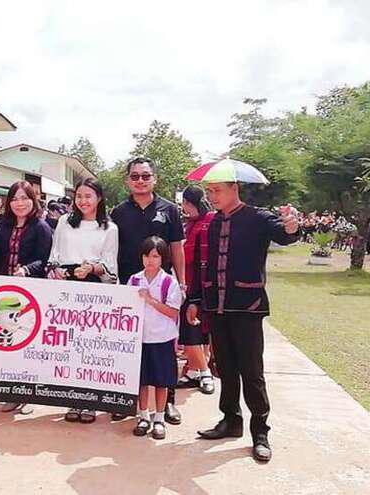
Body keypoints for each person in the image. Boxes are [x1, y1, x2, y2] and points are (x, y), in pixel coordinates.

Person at [191, 181, 299, 463]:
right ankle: (231, 420)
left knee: (252, 372)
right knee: (225, 369)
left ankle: (260, 432)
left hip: (247, 307)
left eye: (217, 191)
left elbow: (284, 235)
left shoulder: (258, 217)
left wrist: (291, 226)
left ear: (234, 189)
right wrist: (196, 300)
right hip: (217, 307)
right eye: (209, 191)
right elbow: (203, 264)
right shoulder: (212, 223)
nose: (212, 196)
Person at [110, 157, 185, 425]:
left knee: (163, 347)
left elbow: (176, 247)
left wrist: (182, 281)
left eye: (145, 176)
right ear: (127, 180)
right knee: (132, 347)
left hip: (160, 290)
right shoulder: (118, 212)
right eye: (135, 176)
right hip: (129, 287)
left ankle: (168, 403)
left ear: (155, 179)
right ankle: (129, 401)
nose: (140, 181)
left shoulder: (169, 210)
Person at [48, 177, 118, 423]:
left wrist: (92, 268)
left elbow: (110, 267)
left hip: (93, 289)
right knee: (67, 345)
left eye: (88, 196)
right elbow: (54, 254)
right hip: (67, 287)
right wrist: (57, 270)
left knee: (89, 347)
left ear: (99, 198)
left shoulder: (109, 228)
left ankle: (90, 401)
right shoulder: (65, 222)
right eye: (79, 196)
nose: (83, 201)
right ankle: (71, 399)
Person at [0, 181, 53, 415]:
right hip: (5, 294)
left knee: (30, 343)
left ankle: (31, 395)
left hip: (31, 294)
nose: (20, 203)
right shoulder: (2, 227)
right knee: (11, 343)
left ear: (33, 201)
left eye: (25, 198)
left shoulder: (42, 227)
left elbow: (45, 260)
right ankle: (13, 393)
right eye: (15, 199)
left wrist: (26, 269)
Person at [129, 236, 183, 440]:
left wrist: (150, 300)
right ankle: (143, 416)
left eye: (154, 256)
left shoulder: (169, 282)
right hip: (140, 338)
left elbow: (173, 312)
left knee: (161, 381)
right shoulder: (134, 280)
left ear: (162, 258)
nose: (149, 260)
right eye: (146, 256)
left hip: (162, 338)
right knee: (142, 380)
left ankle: (159, 418)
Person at [177, 185, 215, 394]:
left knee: (192, 331)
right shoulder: (192, 224)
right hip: (190, 283)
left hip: (200, 285)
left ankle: (204, 371)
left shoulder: (207, 223)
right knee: (195, 333)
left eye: (185, 203)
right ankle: (194, 371)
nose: (184, 207)